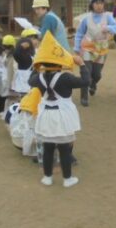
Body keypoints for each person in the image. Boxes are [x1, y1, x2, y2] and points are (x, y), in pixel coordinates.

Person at [29, 32, 89, 187]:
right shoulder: (66, 78)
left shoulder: (38, 78)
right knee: (64, 149)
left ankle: (47, 177)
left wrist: (37, 66)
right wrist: (81, 64)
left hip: (46, 115)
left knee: (48, 148)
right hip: (63, 116)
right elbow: (85, 81)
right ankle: (67, 179)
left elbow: (30, 79)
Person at [74, 0, 116, 106]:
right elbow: (79, 33)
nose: (99, 5)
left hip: (101, 49)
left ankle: (93, 83)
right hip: (88, 48)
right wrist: (76, 47)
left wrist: (109, 27)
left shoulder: (108, 17)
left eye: (101, 3)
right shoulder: (86, 18)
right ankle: (84, 97)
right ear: (92, 4)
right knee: (86, 72)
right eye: (96, 3)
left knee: (97, 74)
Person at [0, 35, 16, 117]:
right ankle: (3, 111)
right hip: (5, 78)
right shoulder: (10, 56)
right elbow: (10, 70)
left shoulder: (1, 54)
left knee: (1, 95)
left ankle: (0, 110)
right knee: (5, 95)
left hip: (0, 77)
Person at [12, 28, 39, 95]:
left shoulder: (36, 51)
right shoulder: (23, 56)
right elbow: (16, 53)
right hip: (25, 86)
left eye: (36, 38)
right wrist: (22, 46)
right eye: (32, 39)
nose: (35, 41)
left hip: (34, 83)